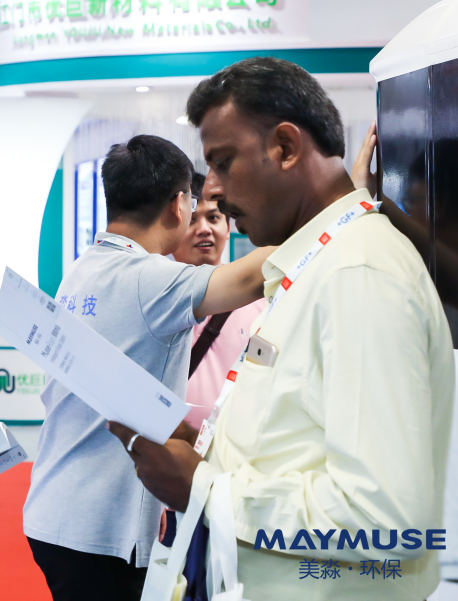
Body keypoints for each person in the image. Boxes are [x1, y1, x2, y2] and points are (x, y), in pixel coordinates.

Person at [108, 57, 454, 600]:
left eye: (224, 163)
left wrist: (203, 487)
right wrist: (208, 450)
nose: (213, 191)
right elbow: (296, 440)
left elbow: (383, 517)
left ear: (287, 148)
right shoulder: (315, 264)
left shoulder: (357, 273)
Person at [23, 134, 274, 601]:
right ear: (179, 206)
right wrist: (333, 211)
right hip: (100, 526)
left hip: (56, 507)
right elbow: (255, 273)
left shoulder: (83, 268)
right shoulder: (150, 279)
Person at [172, 172, 265, 429]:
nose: (204, 229)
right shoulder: (154, 299)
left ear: (228, 228)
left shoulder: (259, 301)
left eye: (213, 218)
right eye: (191, 220)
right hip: (165, 449)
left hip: (237, 446)